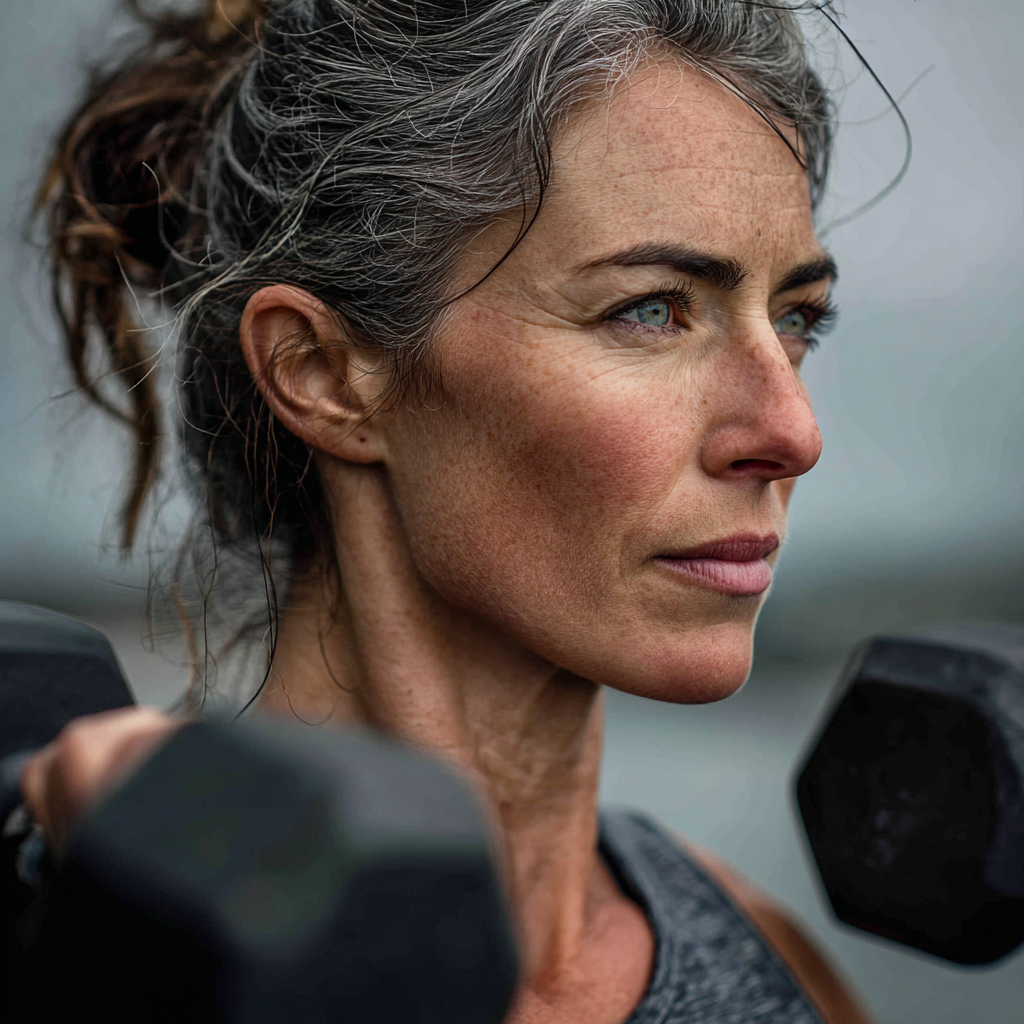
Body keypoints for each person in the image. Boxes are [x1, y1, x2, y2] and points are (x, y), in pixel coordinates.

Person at [20, 1, 873, 1021]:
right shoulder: (88, 964)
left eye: (797, 319)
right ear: (324, 373)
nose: (793, 432)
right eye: (650, 310)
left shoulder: (775, 966)